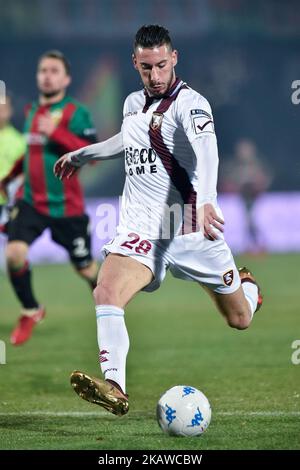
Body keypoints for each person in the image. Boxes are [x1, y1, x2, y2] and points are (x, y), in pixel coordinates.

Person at [54, 25, 263, 416]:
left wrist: (207, 201)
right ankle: (115, 385)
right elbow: (128, 139)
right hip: (142, 227)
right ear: (135, 62)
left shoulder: (192, 104)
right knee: (106, 291)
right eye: (146, 67)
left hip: (188, 228)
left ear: (175, 59)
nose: (154, 75)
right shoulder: (134, 101)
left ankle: (249, 288)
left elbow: (208, 152)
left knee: (240, 318)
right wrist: (85, 154)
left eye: (162, 66)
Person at [1, 50, 99, 346]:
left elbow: (91, 154)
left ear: (66, 78)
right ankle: (31, 310)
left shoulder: (76, 112)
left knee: (85, 269)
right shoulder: (32, 111)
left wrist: (56, 132)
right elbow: (30, 154)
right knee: (14, 254)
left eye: (54, 70)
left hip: (67, 208)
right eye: (43, 70)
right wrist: (8, 178)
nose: (47, 75)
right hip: (31, 202)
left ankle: (110, 304)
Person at [220, 138, 272, 253]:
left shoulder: (258, 164)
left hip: (257, 199)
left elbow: (265, 179)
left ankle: (258, 244)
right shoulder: (233, 165)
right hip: (241, 198)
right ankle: (253, 245)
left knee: (252, 221)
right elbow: (228, 180)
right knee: (247, 221)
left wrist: (260, 185)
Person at [0, 95, 26, 232]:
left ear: (10, 111)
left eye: (2, 108)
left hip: (8, 203)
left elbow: (24, 173)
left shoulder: (19, 141)